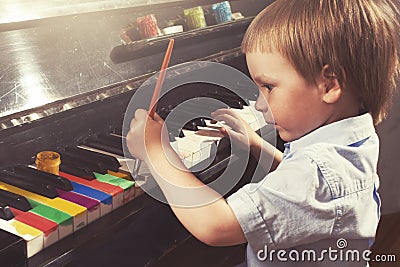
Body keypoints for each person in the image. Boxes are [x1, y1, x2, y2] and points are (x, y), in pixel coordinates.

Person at [126, 0, 400, 266]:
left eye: (268, 87)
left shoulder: (317, 173)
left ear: (329, 86)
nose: (258, 104)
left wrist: (157, 150)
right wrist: (257, 144)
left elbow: (215, 226)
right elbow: (302, 184)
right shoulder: (353, 140)